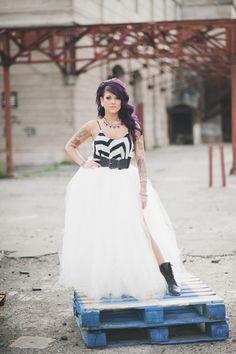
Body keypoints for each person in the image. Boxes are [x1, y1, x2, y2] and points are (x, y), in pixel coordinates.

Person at [59, 78, 186, 300]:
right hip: (97, 182)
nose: (113, 102)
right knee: (103, 229)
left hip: (126, 180)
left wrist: (143, 189)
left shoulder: (133, 128)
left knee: (142, 228)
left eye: (117, 98)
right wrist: (83, 163)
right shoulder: (92, 126)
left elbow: (141, 160)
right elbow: (70, 146)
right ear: (101, 100)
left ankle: (168, 276)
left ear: (122, 100)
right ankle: (111, 279)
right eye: (108, 98)